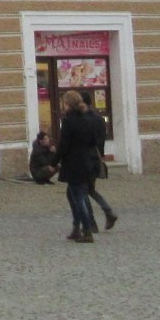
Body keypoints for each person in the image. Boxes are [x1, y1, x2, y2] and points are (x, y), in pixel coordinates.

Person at [55, 91, 101, 243]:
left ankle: (87, 230)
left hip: (74, 163)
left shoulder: (69, 121)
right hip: (87, 161)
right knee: (72, 193)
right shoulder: (89, 118)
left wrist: (54, 161)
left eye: (64, 103)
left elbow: (63, 145)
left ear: (68, 104)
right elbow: (94, 141)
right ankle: (76, 227)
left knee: (79, 196)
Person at [83, 100, 118, 231]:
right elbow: (102, 138)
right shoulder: (98, 118)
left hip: (86, 158)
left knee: (82, 191)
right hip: (96, 157)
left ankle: (91, 223)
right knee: (90, 189)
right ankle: (108, 212)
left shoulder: (86, 118)